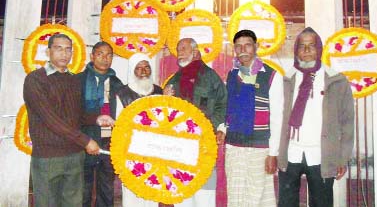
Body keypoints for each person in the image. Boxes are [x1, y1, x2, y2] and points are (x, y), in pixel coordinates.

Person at [23, 34, 114, 206]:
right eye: (58, 48)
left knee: (73, 203)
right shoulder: (35, 79)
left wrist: (96, 118)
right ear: (48, 51)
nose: (64, 53)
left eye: (68, 49)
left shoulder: (73, 79)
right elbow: (51, 119)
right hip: (48, 158)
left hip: (74, 155)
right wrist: (86, 141)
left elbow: (77, 115)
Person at [277, 27, 354, 207]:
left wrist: (342, 158)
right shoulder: (286, 80)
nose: (306, 50)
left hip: (322, 154)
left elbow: (347, 122)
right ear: (295, 51)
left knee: (322, 203)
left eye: (311, 46)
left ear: (319, 49)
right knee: (286, 203)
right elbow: (276, 117)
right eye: (302, 46)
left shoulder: (337, 81)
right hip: (291, 152)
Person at [216, 29, 283, 207]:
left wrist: (273, 153)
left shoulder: (272, 76)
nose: (243, 50)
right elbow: (228, 108)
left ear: (256, 47)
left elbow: (277, 117)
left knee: (259, 198)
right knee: (235, 197)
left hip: (260, 148)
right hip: (234, 147)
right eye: (238, 47)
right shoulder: (232, 75)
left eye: (247, 45)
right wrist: (222, 129)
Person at [163, 38, 227, 207]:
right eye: (178, 49)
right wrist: (166, 99)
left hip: (204, 141)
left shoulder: (210, 76)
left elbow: (222, 102)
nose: (180, 52)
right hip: (179, 143)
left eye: (184, 48)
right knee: (183, 191)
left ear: (196, 52)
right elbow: (166, 113)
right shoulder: (174, 80)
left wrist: (211, 127)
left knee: (204, 194)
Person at [116, 53, 169, 207]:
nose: (143, 71)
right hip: (132, 151)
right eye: (139, 68)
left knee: (152, 192)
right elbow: (120, 125)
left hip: (155, 152)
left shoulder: (159, 91)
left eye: (146, 67)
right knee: (133, 194)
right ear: (133, 71)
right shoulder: (122, 94)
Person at [77, 41, 123, 207]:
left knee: (106, 190)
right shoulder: (79, 81)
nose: (105, 58)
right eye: (100, 54)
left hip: (108, 141)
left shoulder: (117, 83)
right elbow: (73, 112)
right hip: (84, 140)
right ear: (92, 56)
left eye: (109, 55)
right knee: (82, 190)